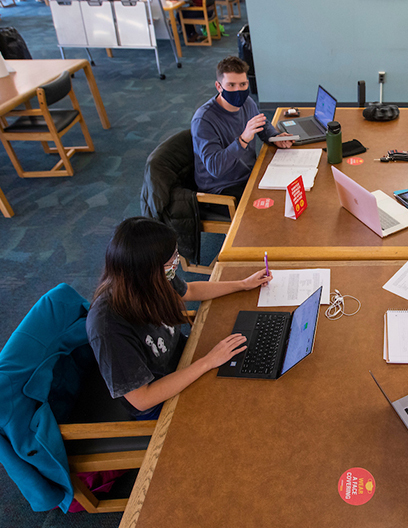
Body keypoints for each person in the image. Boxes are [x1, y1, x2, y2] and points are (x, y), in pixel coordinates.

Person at [86, 217, 271, 419]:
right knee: (239, 409)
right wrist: (207, 362)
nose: (176, 262)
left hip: (185, 358)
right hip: (161, 399)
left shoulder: (151, 278)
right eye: (172, 259)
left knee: (254, 372)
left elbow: (188, 290)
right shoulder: (108, 326)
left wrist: (243, 284)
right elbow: (142, 399)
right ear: (147, 269)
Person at [191, 56, 294, 199]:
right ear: (218, 86)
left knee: (290, 187)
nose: (238, 90)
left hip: (249, 174)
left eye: (243, 84)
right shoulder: (203, 120)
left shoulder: (247, 102)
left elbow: (262, 125)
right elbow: (215, 168)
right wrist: (243, 140)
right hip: (223, 187)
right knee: (273, 205)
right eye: (231, 85)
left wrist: (274, 137)